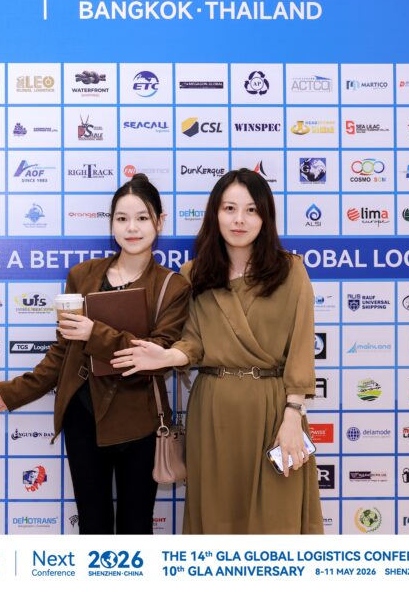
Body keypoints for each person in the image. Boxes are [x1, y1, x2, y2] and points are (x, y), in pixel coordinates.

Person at [112, 168, 323, 534]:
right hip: (213, 411)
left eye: (251, 210)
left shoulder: (290, 270)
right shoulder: (194, 273)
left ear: (265, 217)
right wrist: (166, 357)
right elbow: (192, 343)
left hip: (274, 410)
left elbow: (301, 348)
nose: (239, 219)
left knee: (278, 519)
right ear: (215, 214)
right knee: (216, 518)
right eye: (229, 209)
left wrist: (293, 415)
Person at [0, 174, 190, 534]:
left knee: (136, 527)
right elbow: (64, 351)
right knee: (92, 526)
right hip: (84, 417)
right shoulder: (83, 275)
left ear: (160, 221)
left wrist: (95, 333)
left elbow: (157, 354)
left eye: (142, 218)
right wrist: (14, 392)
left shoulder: (173, 286)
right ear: (111, 224)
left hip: (141, 422)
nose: (132, 228)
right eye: (122, 218)